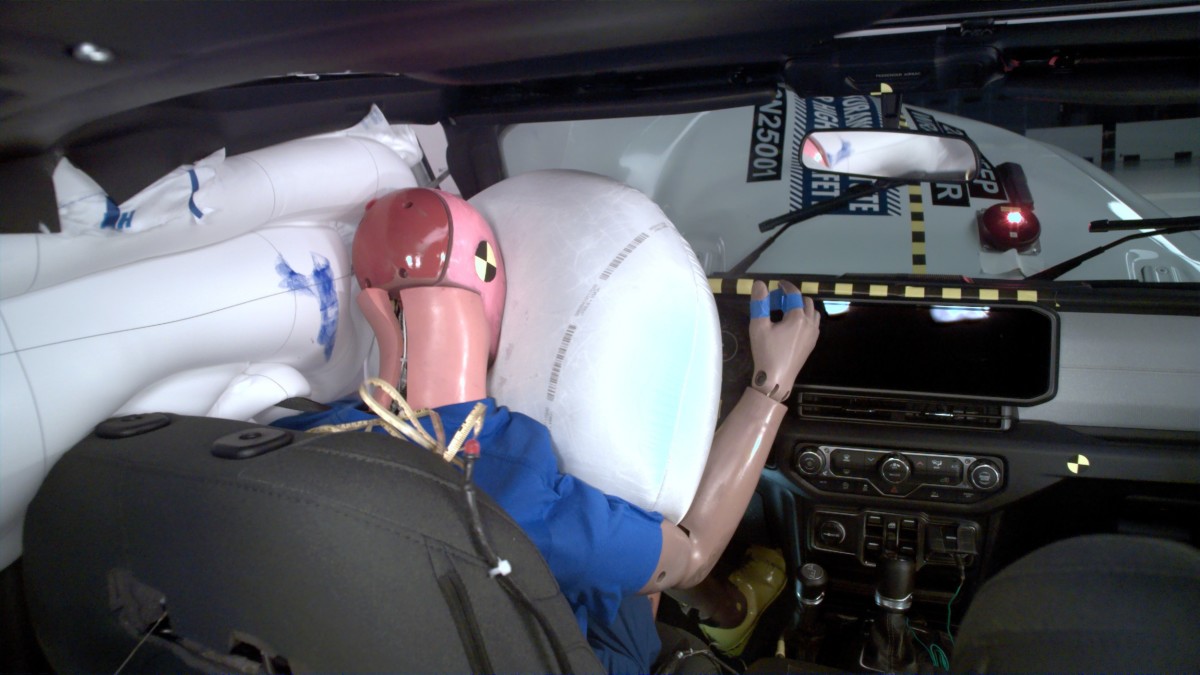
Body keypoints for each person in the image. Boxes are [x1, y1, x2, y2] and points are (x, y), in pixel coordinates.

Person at [275, 187, 821, 672]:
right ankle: (734, 619)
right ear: (493, 290)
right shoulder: (518, 495)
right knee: (639, 545)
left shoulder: (299, 433)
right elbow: (693, 556)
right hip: (579, 654)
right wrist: (771, 386)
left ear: (372, 305)